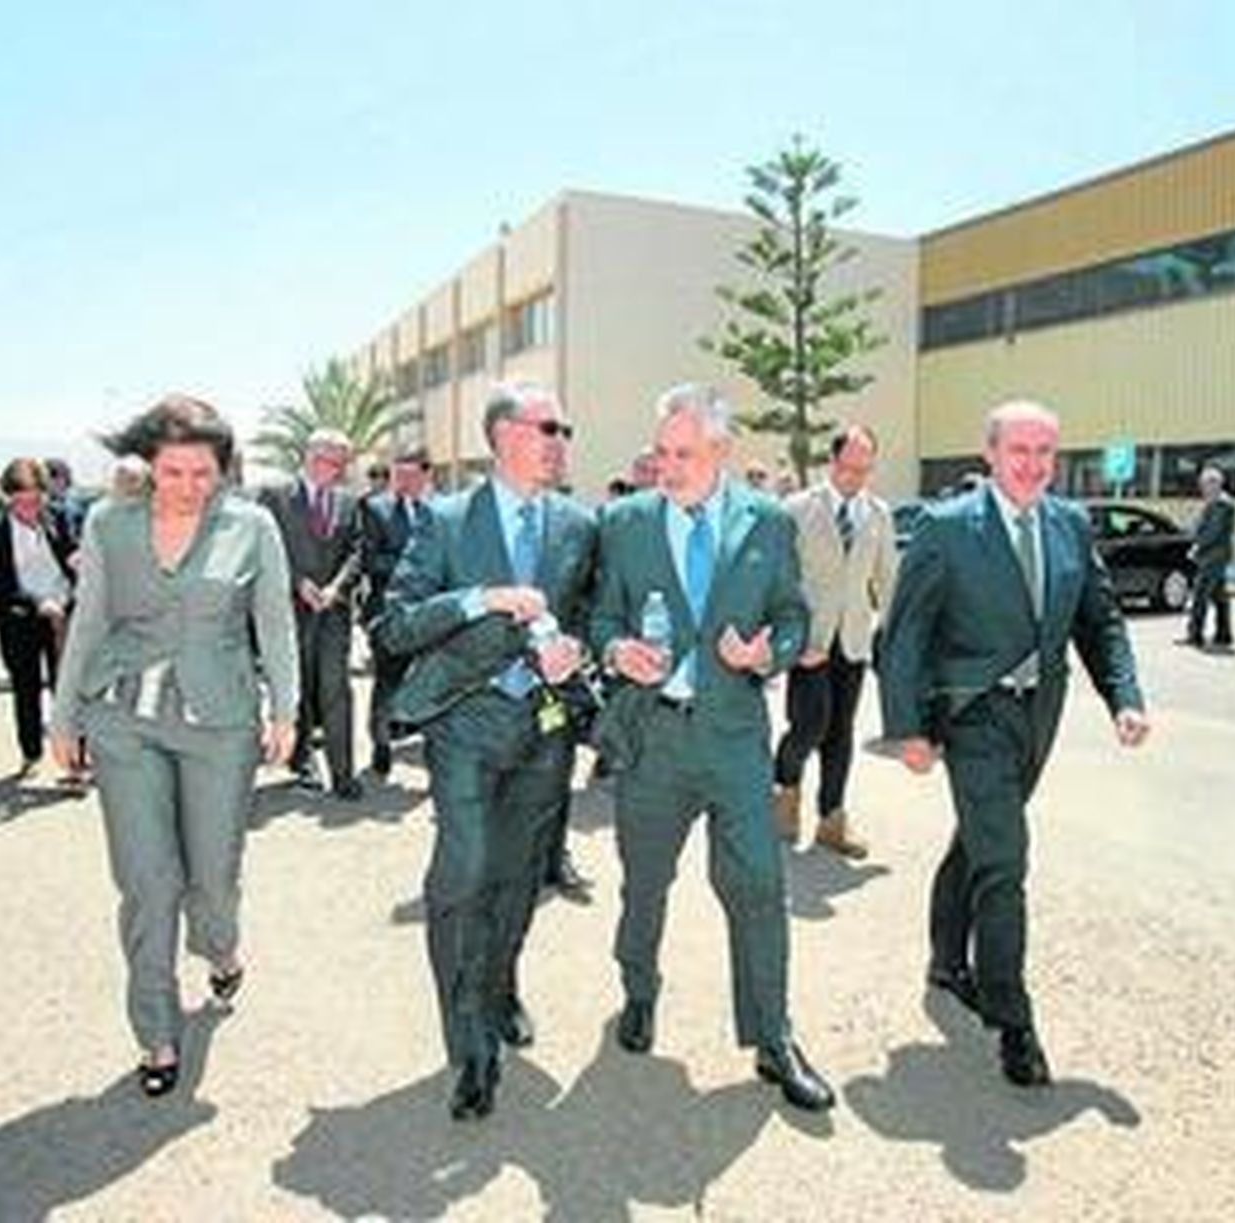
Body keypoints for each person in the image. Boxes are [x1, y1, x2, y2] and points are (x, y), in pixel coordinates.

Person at [876, 399, 1149, 1087]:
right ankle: (1012, 1017)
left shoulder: (1069, 522)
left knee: (981, 838)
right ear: (990, 454)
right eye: (1018, 450)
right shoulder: (946, 528)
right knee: (1006, 859)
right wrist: (907, 726)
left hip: (1037, 717)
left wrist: (1126, 698)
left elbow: (1100, 619)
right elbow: (905, 632)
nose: (1032, 464)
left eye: (1045, 452)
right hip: (972, 711)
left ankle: (945, 958)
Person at [591, 383, 834, 1113]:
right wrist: (615, 647)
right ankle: (638, 990)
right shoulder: (627, 521)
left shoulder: (766, 521)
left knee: (759, 885)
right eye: (661, 452)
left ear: (722, 452)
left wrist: (769, 653)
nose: (666, 466)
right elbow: (602, 611)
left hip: (733, 741)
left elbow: (793, 613)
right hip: (654, 739)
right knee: (644, 883)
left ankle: (773, 1036)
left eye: (683, 453)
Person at [50, 395, 298, 1098]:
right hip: (122, 718)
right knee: (146, 881)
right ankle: (156, 1030)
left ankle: (219, 947)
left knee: (211, 880)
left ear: (223, 469)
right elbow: (90, 620)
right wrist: (64, 718)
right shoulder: (110, 524)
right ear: (148, 466)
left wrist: (286, 708)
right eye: (173, 470)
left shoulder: (252, 527)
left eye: (202, 472)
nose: (188, 485)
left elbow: (274, 625)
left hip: (218, 725)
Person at [374, 383, 595, 1121]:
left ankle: (499, 986)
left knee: (517, 878)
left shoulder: (576, 524)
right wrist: (480, 599)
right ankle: (468, 1043)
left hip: (545, 729)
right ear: (504, 435)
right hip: (464, 729)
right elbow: (394, 625)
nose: (561, 439)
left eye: (565, 428)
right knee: (463, 875)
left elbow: (592, 616)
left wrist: (577, 651)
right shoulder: (444, 521)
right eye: (548, 427)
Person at [772, 424, 899, 856]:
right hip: (810, 640)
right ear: (833, 462)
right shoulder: (798, 509)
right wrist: (789, 636)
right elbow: (780, 577)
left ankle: (832, 820)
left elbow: (887, 578)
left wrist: (896, 629)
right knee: (809, 726)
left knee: (841, 732)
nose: (855, 478)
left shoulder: (878, 514)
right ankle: (784, 789)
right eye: (848, 468)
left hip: (854, 640)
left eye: (864, 470)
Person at [259, 430, 364, 798]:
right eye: (323, 460)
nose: (330, 469)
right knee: (297, 689)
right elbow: (265, 551)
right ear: (306, 456)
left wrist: (336, 587)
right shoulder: (275, 498)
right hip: (289, 611)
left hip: (333, 612)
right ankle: (301, 762)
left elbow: (356, 552)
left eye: (337, 463)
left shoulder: (350, 503)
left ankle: (344, 773)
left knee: (336, 690)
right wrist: (297, 582)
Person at [0, 458, 78, 777]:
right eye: (21, 498)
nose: (29, 505)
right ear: (8, 496)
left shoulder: (58, 516)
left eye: (36, 497)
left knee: (69, 689)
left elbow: (71, 554)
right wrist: (36, 604)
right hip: (20, 618)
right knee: (26, 687)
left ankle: (75, 760)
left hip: (64, 615)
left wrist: (79, 564)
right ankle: (31, 751)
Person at [356, 447, 434, 777]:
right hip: (389, 613)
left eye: (411, 474)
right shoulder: (375, 509)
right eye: (398, 474)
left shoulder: (440, 511)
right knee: (387, 682)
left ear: (426, 475)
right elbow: (369, 560)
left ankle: (432, 747)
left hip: (432, 614)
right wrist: (414, 563)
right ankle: (381, 744)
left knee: (432, 682)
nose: (403, 481)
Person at [1180, 465, 1235, 653]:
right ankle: (1224, 633)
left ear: (1215, 484)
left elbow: (1213, 532)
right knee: (1219, 596)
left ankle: (1195, 634)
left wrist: (1197, 546)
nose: (1202, 489)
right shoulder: (1215, 502)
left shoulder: (1222, 504)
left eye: (1204, 484)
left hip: (1213, 556)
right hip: (1215, 555)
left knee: (1200, 595)